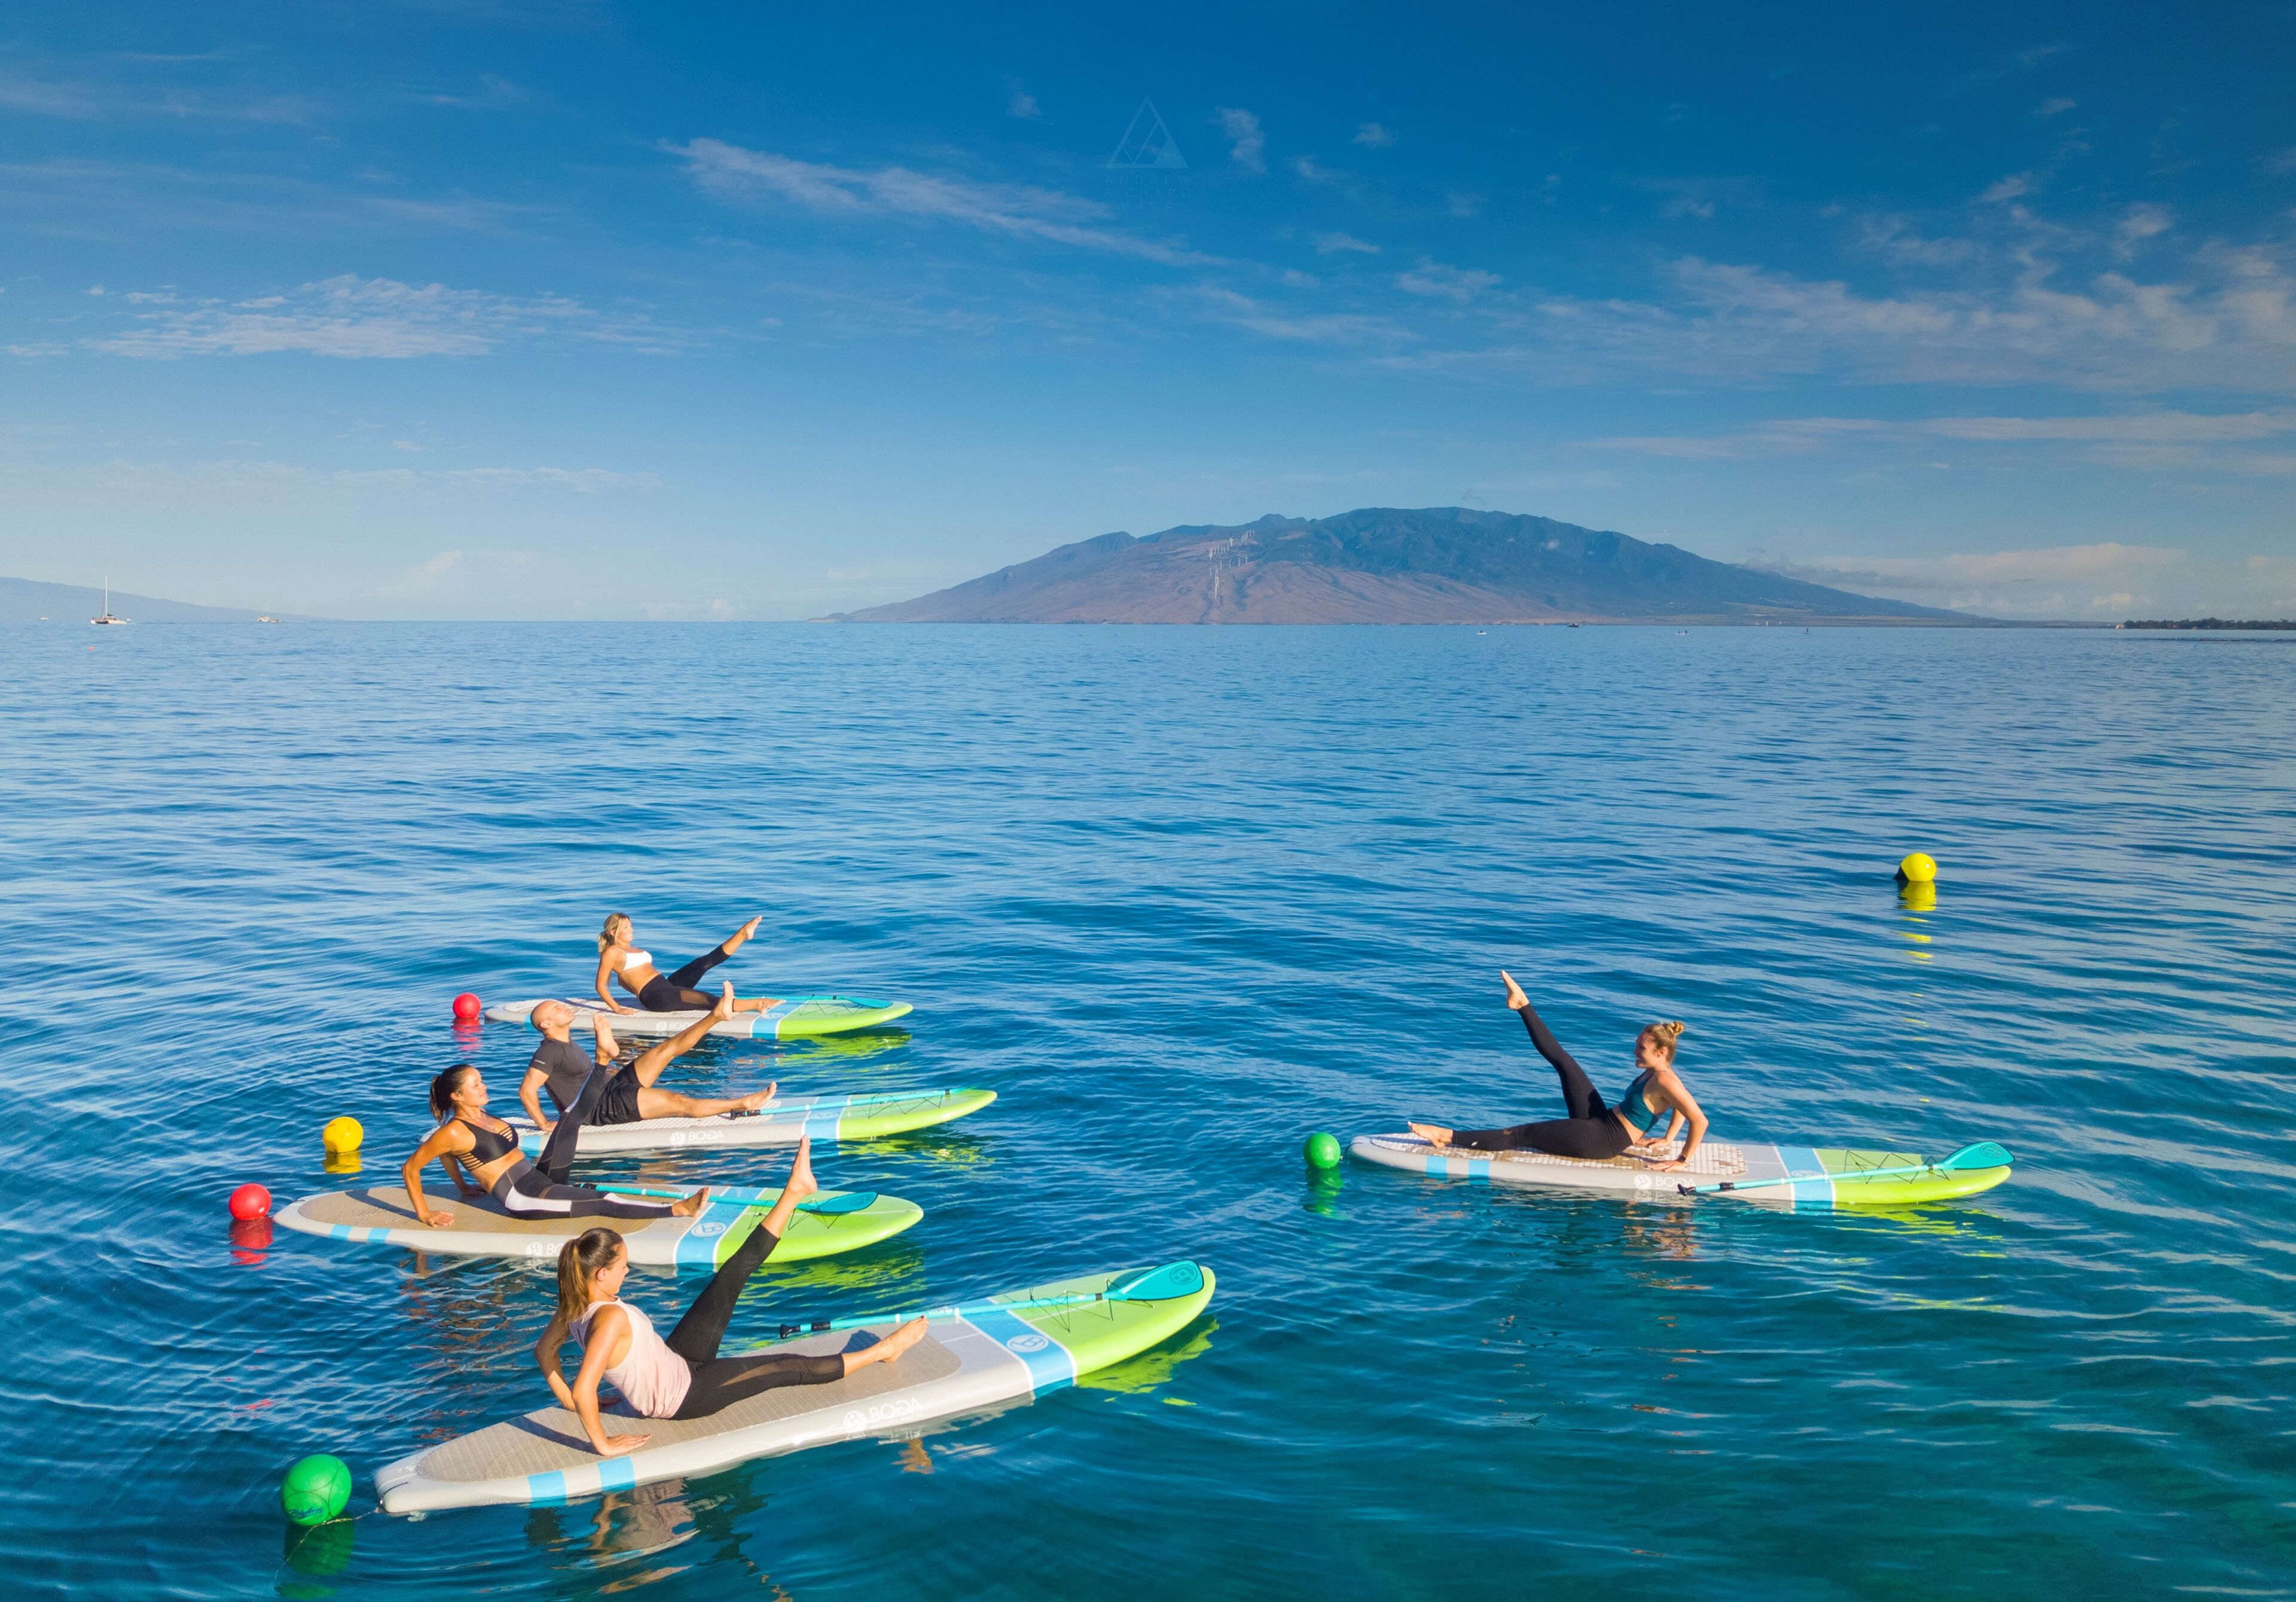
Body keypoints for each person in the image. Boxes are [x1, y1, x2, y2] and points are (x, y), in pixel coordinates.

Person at [538, 1137, 931, 1455]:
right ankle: (883, 1352)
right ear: (602, 1273)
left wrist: (574, 1405)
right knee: (784, 1367)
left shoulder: (573, 1305)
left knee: (732, 1273)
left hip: (678, 1361)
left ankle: (794, 1192)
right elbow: (585, 1386)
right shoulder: (609, 1320)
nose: (628, 1270)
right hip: (684, 1398)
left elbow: (544, 1354)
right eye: (623, 1265)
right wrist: (602, 1442)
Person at [1407, 970, 1709, 1172]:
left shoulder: (1665, 1079)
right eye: (1637, 1044)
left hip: (1603, 1141)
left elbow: (1699, 1119)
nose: (1634, 1051)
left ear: (1661, 1053)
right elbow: (1680, 1105)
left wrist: (1682, 1158)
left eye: (1641, 1048)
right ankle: (1522, 1005)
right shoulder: (1662, 1076)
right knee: (1564, 1063)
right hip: (1601, 1122)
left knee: (1521, 1134)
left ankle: (1446, 1136)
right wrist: (1668, 1138)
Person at [402, 1056, 709, 1227]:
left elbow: (449, 1157)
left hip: (537, 1177)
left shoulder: (484, 1115)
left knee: (570, 1120)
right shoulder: (452, 1131)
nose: (484, 1087)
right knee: (605, 1202)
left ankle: (601, 1062)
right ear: (457, 1096)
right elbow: (411, 1168)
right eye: (475, 1085)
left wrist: (462, 1187)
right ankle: (677, 1210)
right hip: (522, 1199)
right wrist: (424, 1213)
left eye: (481, 1080)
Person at [519, 990, 780, 1181]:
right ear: (546, 1025)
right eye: (555, 1009)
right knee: (678, 1103)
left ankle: (717, 1015)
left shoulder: (564, 1043)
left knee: (666, 1049)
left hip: (610, 1087)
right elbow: (527, 1090)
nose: (561, 1007)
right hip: (600, 1107)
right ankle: (743, 1103)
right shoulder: (550, 1051)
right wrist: (543, 1124)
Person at [595, 913, 781, 1014]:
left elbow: (623, 980)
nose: (631, 929)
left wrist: (633, 986)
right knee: (704, 999)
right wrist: (617, 1008)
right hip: (656, 996)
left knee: (703, 963)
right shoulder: (612, 952)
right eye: (626, 927)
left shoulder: (632, 949)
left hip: (665, 985)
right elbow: (601, 986)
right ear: (613, 932)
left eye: (631, 926)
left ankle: (744, 933)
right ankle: (759, 1004)